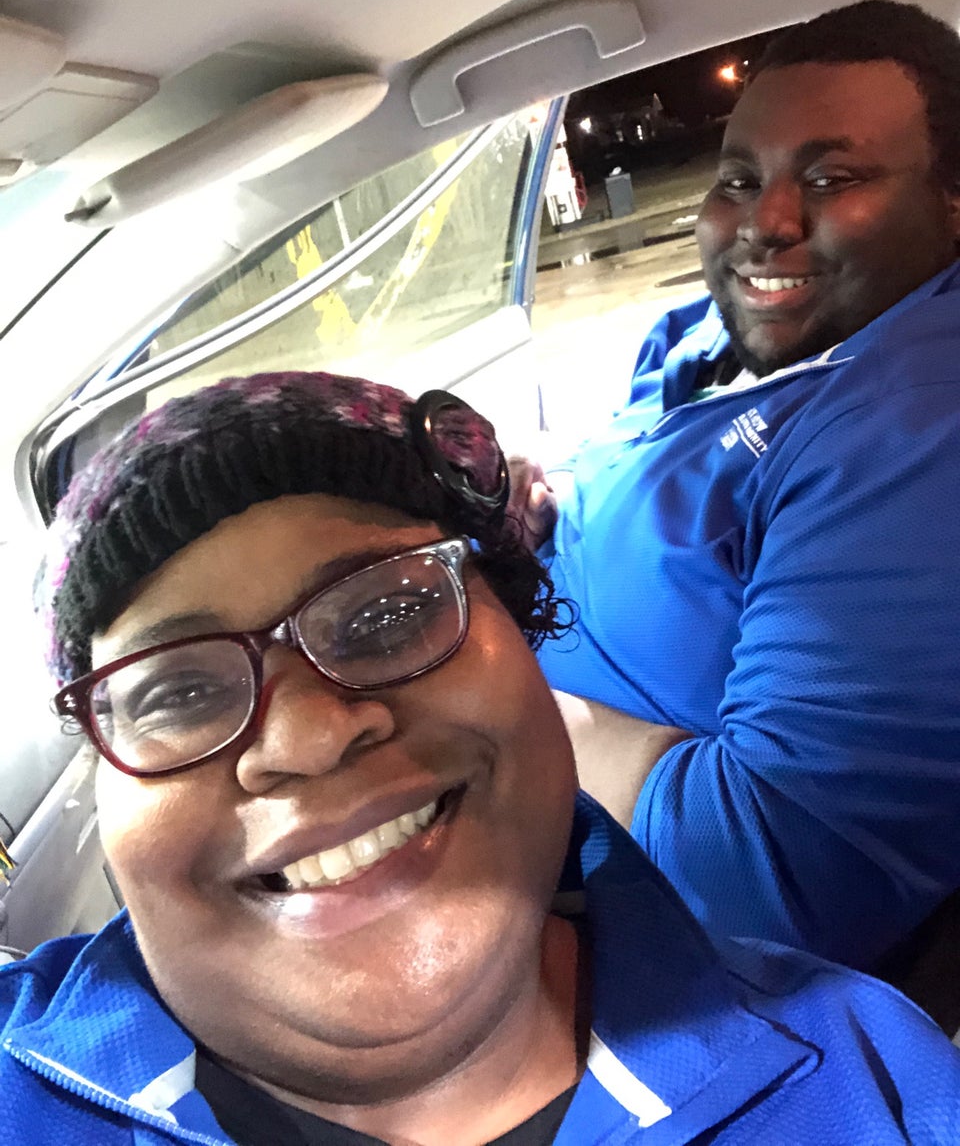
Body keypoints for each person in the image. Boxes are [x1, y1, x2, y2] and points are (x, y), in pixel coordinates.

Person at [5, 368, 960, 1145]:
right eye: (177, 691)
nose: (307, 736)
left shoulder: (879, 1078)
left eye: (388, 613)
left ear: (524, 633)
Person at [511, 0, 960, 980]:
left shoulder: (919, 426)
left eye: (832, 178)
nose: (765, 223)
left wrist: (482, 691)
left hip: (608, 944)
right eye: (738, 179)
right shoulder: (729, 335)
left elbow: (760, 878)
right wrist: (548, 492)